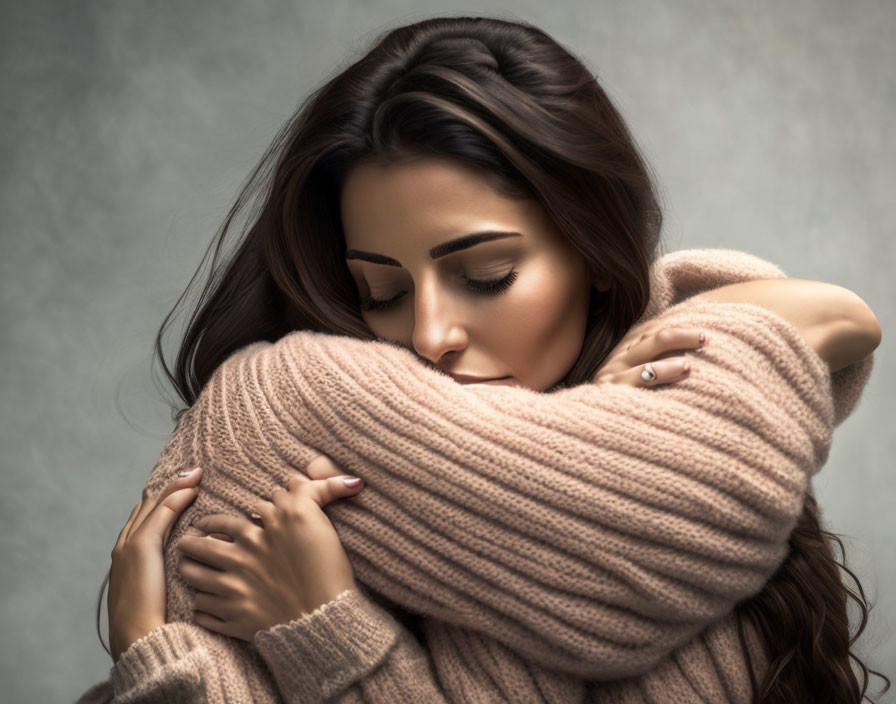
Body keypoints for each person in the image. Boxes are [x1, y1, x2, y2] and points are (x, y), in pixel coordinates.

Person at [77, 15, 888, 704]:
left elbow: (839, 323)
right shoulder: (290, 412)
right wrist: (177, 659)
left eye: (485, 276)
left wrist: (336, 645)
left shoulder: (670, 391)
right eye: (380, 290)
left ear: (593, 251)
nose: (430, 335)